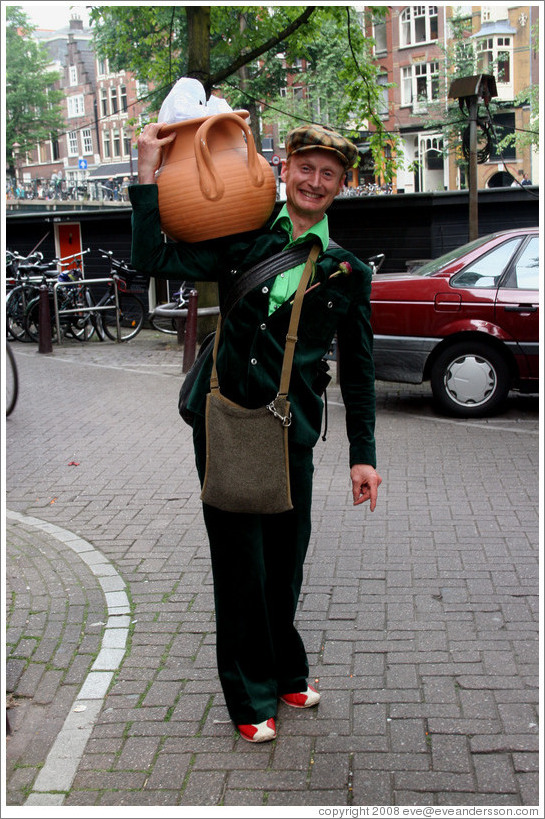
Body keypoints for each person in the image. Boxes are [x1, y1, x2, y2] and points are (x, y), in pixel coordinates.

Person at [129, 121, 382, 744]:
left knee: (286, 562)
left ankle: (284, 667)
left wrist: (363, 456)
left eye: (329, 174)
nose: (314, 181)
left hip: (291, 431)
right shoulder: (240, 237)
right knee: (240, 563)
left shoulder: (348, 273)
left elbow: (362, 370)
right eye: (306, 168)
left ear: (341, 186)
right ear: (283, 168)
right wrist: (145, 173)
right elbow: (151, 258)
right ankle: (250, 698)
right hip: (227, 424)